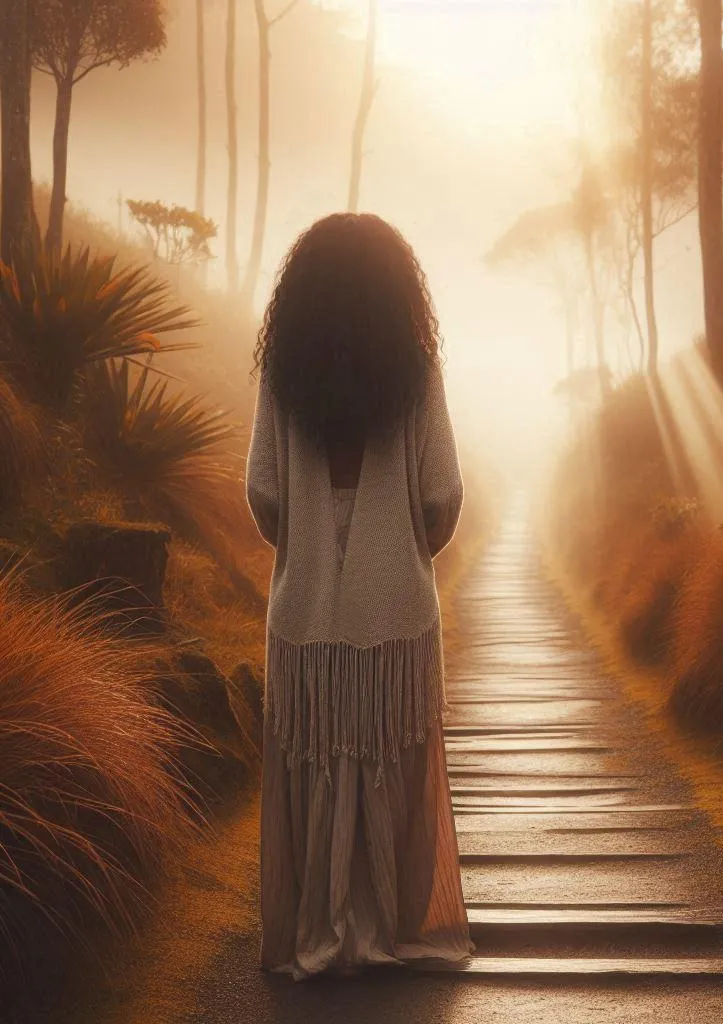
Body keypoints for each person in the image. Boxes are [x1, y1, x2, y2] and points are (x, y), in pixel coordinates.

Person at [246, 212, 472, 980]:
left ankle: (321, 929)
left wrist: (308, 550)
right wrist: (408, 553)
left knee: (314, 763)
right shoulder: (416, 373)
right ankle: (385, 926)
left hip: (304, 607)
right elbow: (441, 495)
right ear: (395, 291)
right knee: (385, 759)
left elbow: (264, 494)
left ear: (300, 295)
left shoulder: (284, 376)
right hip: (396, 605)